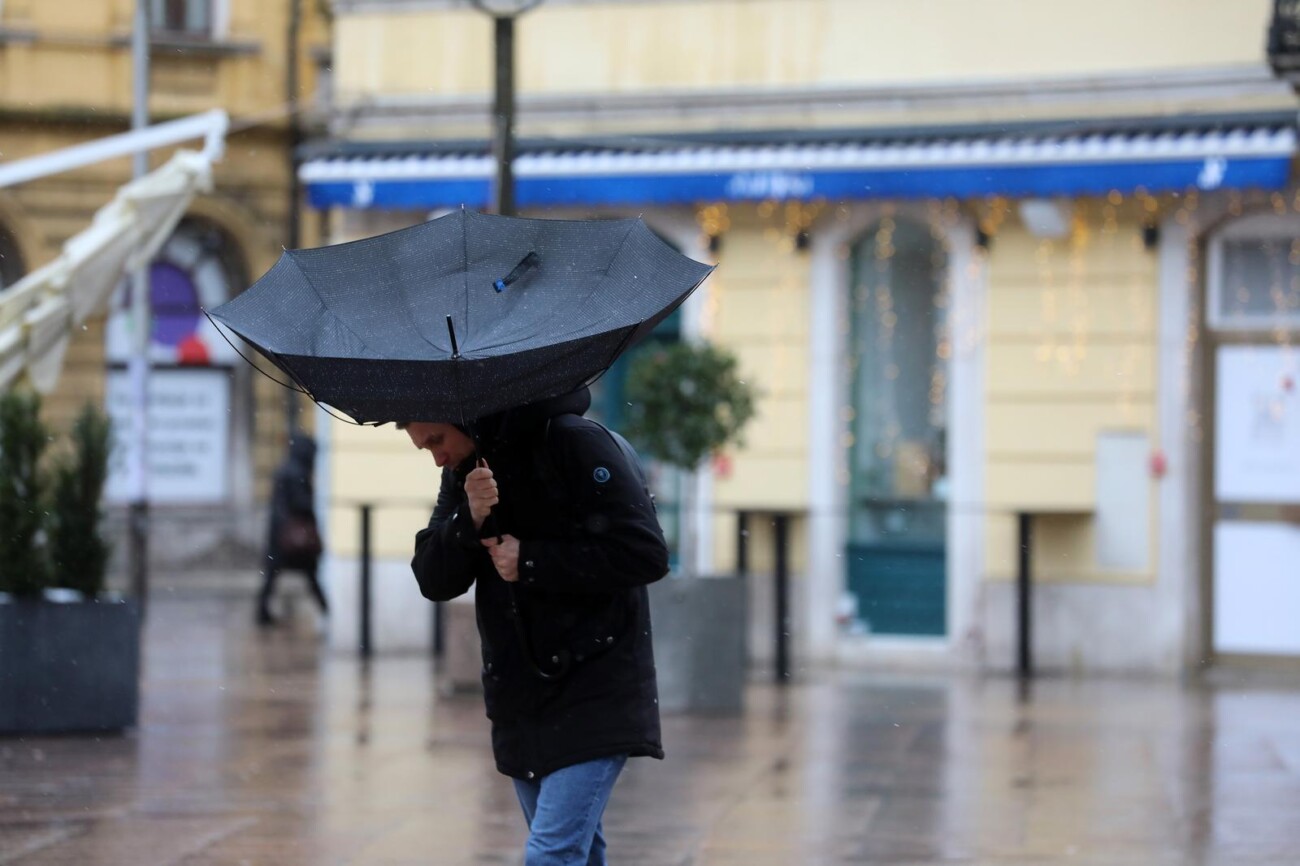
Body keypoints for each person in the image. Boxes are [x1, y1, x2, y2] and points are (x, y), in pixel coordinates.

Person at [404, 388, 669, 866]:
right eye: (426, 448)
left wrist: (531, 561)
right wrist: (471, 516)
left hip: (595, 687)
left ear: (466, 415)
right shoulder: (465, 475)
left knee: (551, 854)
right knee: (578, 853)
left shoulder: (577, 443)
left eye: (438, 440)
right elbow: (433, 579)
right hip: (518, 692)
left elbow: (645, 553)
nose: (437, 457)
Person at [257, 433, 329, 626]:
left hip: (280, 531)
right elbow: (302, 504)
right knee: (310, 575)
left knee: (272, 575)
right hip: (295, 534)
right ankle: (327, 611)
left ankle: (262, 613)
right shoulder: (298, 472)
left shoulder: (285, 469)